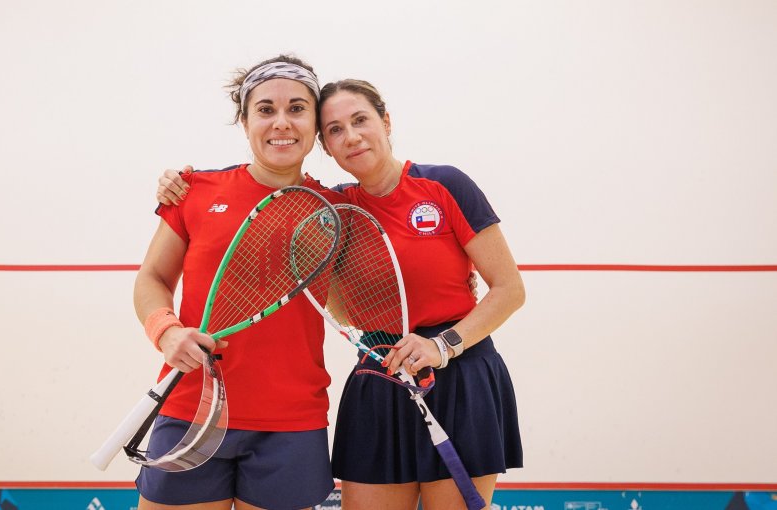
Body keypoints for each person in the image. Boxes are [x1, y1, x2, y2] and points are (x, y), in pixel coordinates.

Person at [156, 79, 526, 509]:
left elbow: (509, 290)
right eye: (334, 130)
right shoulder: (332, 209)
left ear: (385, 122)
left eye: (360, 120)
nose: (350, 136)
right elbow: (340, 306)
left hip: (459, 375)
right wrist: (175, 184)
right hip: (379, 375)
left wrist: (442, 345)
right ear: (325, 146)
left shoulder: (445, 185)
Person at [133, 55, 338, 510]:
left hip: (291, 423)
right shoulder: (194, 190)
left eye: (297, 108)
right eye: (265, 109)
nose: (281, 122)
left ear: (316, 124)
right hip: (191, 407)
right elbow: (153, 277)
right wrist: (166, 331)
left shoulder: (336, 209)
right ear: (244, 121)